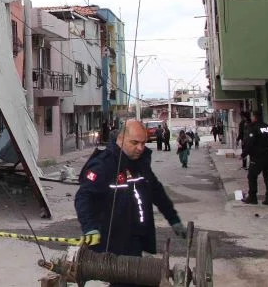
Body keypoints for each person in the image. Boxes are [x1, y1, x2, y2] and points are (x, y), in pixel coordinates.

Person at [75, 120, 186, 287]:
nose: (140, 148)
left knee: (136, 279)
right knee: (127, 281)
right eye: (135, 143)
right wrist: (89, 227)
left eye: (143, 143)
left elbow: (156, 191)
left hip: (136, 238)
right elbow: (83, 197)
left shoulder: (140, 164)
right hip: (113, 241)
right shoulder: (103, 165)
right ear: (121, 138)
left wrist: (173, 219)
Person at [241, 110, 268, 206]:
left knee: (252, 176)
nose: (251, 118)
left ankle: (252, 198)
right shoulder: (267, 127)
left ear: (254, 117)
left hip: (258, 157)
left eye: (252, 116)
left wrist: (243, 154)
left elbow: (250, 143)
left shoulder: (253, 127)